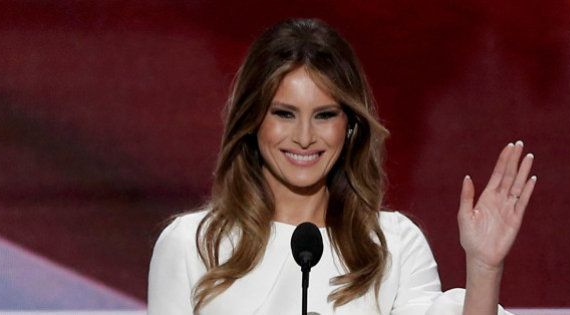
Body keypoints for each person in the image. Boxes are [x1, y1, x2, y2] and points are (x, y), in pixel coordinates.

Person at [147, 18, 536, 315]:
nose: (303, 137)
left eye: (324, 115)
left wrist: (484, 268)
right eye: (284, 113)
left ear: (349, 125)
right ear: (253, 120)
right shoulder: (193, 246)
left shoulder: (392, 244)